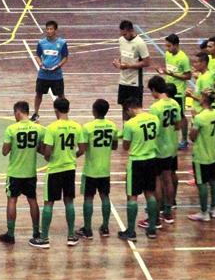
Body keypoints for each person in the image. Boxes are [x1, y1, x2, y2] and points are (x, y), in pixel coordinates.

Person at [30, 98, 85, 248]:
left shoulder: (52, 128)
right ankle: (71, 236)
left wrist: (47, 157)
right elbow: (82, 148)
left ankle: (44, 238)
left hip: (54, 169)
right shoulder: (76, 126)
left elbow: (47, 151)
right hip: (69, 169)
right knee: (69, 201)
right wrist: (72, 156)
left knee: (49, 203)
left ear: (55, 110)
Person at [0, 101, 45, 244]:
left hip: (15, 172)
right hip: (30, 172)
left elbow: (4, 152)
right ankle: (36, 231)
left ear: (18, 112)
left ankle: (11, 234)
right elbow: (43, 150)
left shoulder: (12, 129)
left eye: (14, 114)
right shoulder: (39, 129)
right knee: (33, 201)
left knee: (12, 200)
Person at [117, 98, 160, 241]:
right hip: (152, 159)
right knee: (150, 194)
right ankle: (152, 228)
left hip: (136, 161)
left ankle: (131, 231)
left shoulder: (130, 124)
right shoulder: (154, 118)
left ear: (129, 108)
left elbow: (125, 146)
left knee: (132, 196)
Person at [76, 99, 118, 240]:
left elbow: (82, 149)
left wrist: (72, 156)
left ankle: (87, 229)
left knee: (88, 198)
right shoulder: (112, 126)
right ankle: (105, 227)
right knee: (105, 197)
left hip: (90, 170)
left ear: (94, 110)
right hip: (105, 170)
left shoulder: (87, 127)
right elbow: (114, 146)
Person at [144, 76, 181, 226]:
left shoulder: (155, 107)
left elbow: (153, 130)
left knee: (157, 181)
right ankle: (168, 211)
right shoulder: (175, 103)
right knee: (168, 178)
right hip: (172, 147)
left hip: (159, 149)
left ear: (154, 89)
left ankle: (157, 212)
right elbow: (178, 125)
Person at [187, 90, 215, 222]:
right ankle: (213, 209)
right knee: (213, 182)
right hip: (212, 154)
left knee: (201, 184)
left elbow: (192, 137)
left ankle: (203, 212)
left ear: (204, 99)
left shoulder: (200, 117)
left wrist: (193, 121)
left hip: (201, 155)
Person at [158, 34, 191, 149]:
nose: (167, 49)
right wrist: (164, 72)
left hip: (179, 92)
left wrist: (172, 74)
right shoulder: (168, 54)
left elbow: (188, 76)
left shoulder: (183, 58)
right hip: (168, 89)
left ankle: (184, 140)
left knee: (181, 115)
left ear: (176, 45)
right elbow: (169, 70)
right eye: (166, 46)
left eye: (169, 46)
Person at [113, 20, 150, 120]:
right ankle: (126, 129)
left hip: (135, 82)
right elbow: (124, 55)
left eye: (125, 34)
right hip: (123, 80)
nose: (123, 36)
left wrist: (129, 66)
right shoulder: (121, 40)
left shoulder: (140, 43)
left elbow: (147, 62)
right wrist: (118, 63)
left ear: (131, 30)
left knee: (135, 108)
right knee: (124, 106)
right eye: (122, 34)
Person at [31, 20, 68, 122]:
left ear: (55, 30)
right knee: (39, 94)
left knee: (60, 96)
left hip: (56, 75)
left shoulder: (62, 43)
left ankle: (62, 115)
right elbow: (38, 55)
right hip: (43, 75)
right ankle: (36, 113)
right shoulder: (41, 43)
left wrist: (58, 65)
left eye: (51, 29)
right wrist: (40, 63)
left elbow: (65, 57)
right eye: (47, 29)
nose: (49, 31)